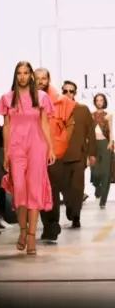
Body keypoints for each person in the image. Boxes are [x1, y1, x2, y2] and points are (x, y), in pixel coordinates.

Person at [0, 62, 55, 256]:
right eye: (19, 73)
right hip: (16, 148)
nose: (22, 76)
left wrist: (51, 148)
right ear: (15, 76)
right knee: (20, 191)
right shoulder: (7, 98)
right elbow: (6, 127)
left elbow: (45, 124)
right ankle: (22, 230)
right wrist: (6, 153)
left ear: (31, 75)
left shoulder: (41, 97)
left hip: (37, 146)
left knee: (34, 191)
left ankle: (31, 237)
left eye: (26, 73)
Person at [33, 68, 76, 241]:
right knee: (40, 189)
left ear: (48, 79)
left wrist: (62, 142)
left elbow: (70, 124)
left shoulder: (61, 100)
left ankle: (52, 224)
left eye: (44, 78)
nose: (40, 81)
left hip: (55, 152)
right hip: (34, 151)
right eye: (37, 78)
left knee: (52, 188)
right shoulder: (28, 100)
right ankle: (48, 225)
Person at [60, 81, 97, 227]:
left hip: (79, 155)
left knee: (77, 187)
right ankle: (70, 206)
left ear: (75, 93)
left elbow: (91, 132)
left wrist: (92, 153)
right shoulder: (56, 109)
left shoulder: (83, 109)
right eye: (65, 91)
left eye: (71, 91)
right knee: (64, 187)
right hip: (61, 155)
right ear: (62, 93)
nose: (68, 94)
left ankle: (76, 215)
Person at [91, 93, 113, 209]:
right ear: (95, 102)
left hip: (105, 144)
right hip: (94, 144)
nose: (99, 102)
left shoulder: (108, 115)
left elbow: (110, 130)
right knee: (95, 172)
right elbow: (89, 132)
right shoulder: (91, 115)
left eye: (101, 100)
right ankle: (97, 187)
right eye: (97, 100)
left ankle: (103, 201)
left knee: (106, 173)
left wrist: (111, 142)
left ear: (104, 102)